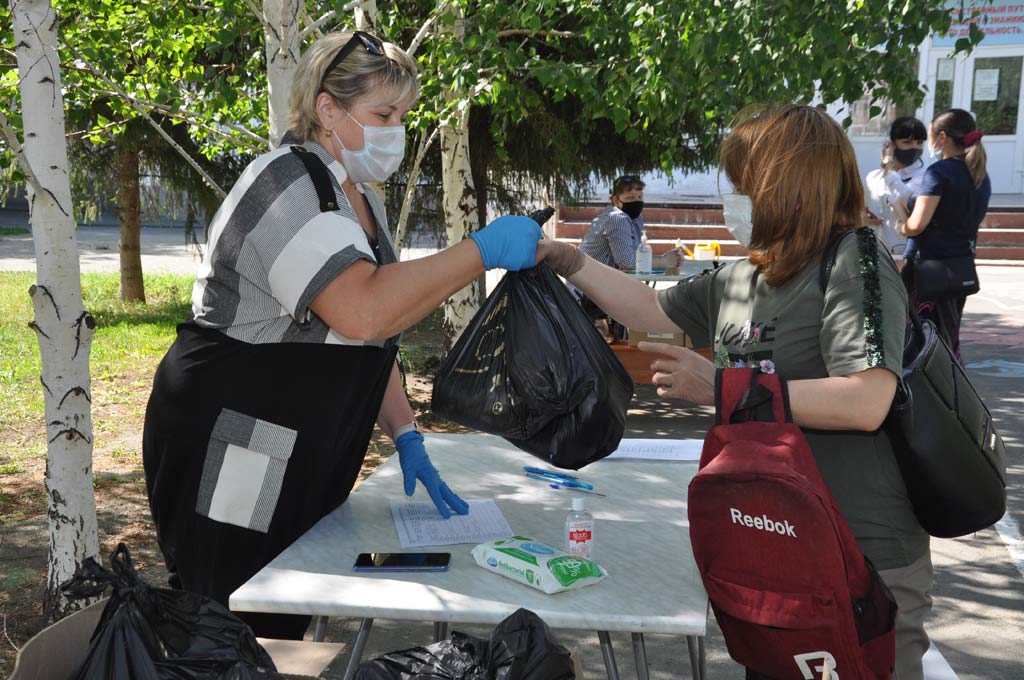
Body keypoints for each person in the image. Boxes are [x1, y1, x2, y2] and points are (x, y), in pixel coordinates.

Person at [142, 30, 542, 639]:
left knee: (286, 606)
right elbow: (363, 310)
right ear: (328, 108)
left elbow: (374, 338)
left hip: (300, 436)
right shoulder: (287, 183)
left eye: (403, 116)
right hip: (236, 438)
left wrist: (404, 429)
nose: (396, 131)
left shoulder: (359, 198)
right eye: (383, 114)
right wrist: (479, 250)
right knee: (234, 612)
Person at [540, 105, 933, 680]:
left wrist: (724, 388)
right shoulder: (746, 275)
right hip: (774, 548)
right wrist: (568, 259)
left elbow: (865, 400)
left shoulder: (856, 259)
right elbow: (651, 308)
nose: (735, 201)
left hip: (862, 557)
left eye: (746, 186)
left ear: (790, 186)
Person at [899, 108, 990, 362]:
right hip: (960, 267)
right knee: (948, 337)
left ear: (942, 137)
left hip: (929, 269)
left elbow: (917, 224)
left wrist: (902, 227)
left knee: (919, 339)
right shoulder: (980, 174)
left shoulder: (938, 172)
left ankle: (928, 395)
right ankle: (951, 387)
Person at [578, 175, 680, 337]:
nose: (636, 202)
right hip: (588, 293)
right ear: (616, 201)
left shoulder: (634, 218)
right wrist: (664, 261)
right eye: (630, 198)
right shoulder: (616, 218)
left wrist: (664, 258)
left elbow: (637, 255)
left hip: (603, 285)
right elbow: (628, 262)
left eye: (639, 197)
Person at [864, 116, 928, 263]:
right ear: (891, 145)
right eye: (907, 142)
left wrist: (889, 170)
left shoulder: (927, 177)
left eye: (919, 143)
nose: (914, 147)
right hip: (875, 253)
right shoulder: (873, 177)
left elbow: (907, 200)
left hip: (907, 254)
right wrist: (865, 216)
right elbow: (862, 209)